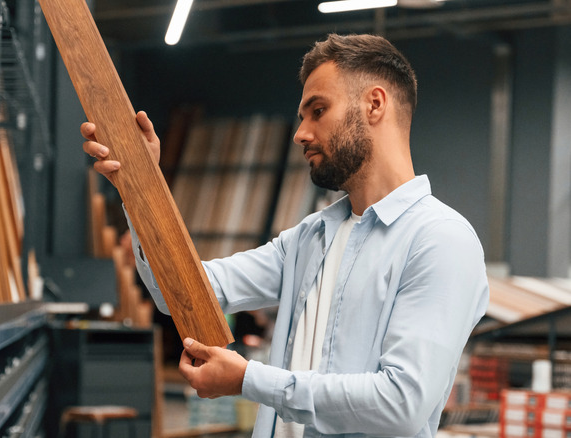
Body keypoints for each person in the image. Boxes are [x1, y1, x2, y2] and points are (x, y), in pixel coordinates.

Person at [81, 33, 489, 437]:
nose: (301, 133)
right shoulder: (310, 238)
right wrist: (140, 184)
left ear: (374, 104)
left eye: (318, 110)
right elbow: (181, 293)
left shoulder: (441, 240)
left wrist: (249, 380)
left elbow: (401, 402)